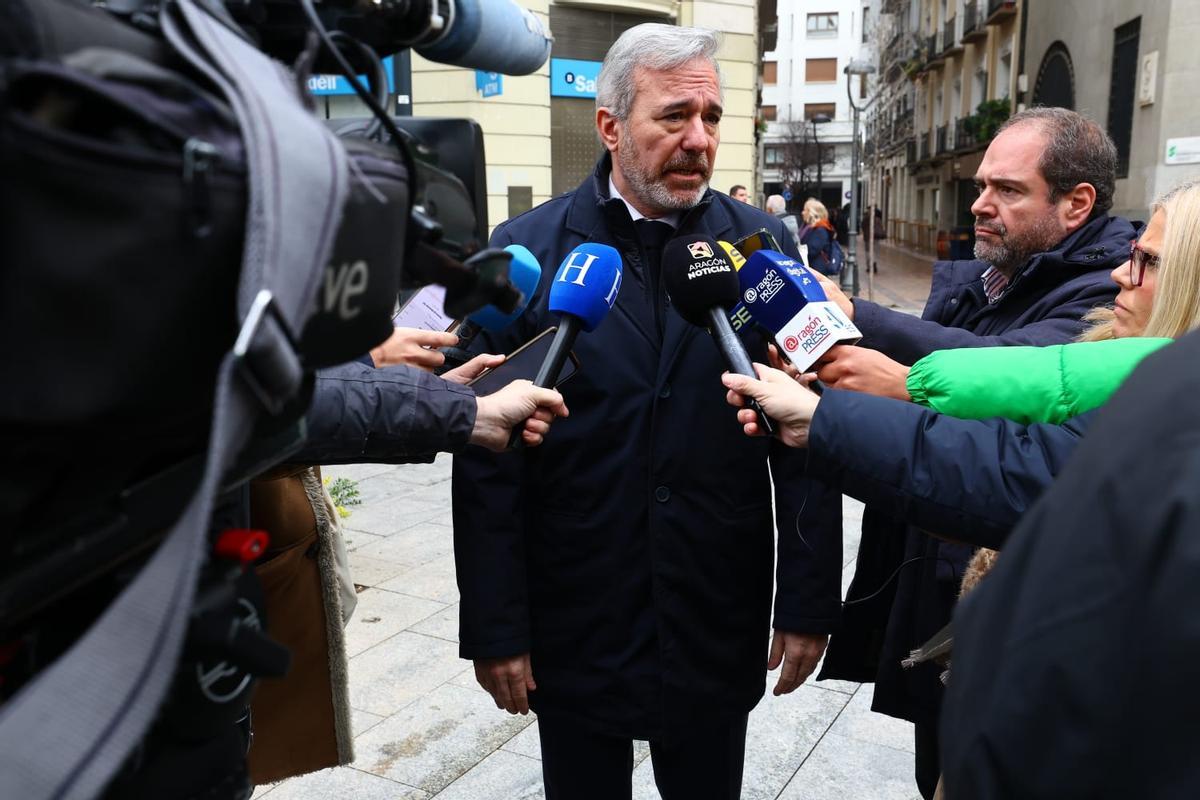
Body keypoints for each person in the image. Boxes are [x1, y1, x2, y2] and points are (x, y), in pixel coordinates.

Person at [452, 23, 833, 800]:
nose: (699, 139)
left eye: (713, 117)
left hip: (712, 610)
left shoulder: (762, 251)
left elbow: (808, 439)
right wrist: (496, 627)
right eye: (673, 117)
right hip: (577, 617)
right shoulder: (528, 248)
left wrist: (806, 598)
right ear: (610, 125)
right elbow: (487, 453)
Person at [793, 106, 1138, 799]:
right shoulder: (989, 277)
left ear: (1077, 205)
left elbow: (1007, 368)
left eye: (1007, 190)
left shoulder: (1106, 298)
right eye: (982, 185)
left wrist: (865, 327)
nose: (980, 204)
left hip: (1022, 634)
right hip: (946, 602)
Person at [799, 198, 840, 276]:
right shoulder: (808, 227)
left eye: (805, 210)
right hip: (812, 269)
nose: (802, 213)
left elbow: (812, 250)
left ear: (812, 213)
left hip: (817, 271)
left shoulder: (820, 229)